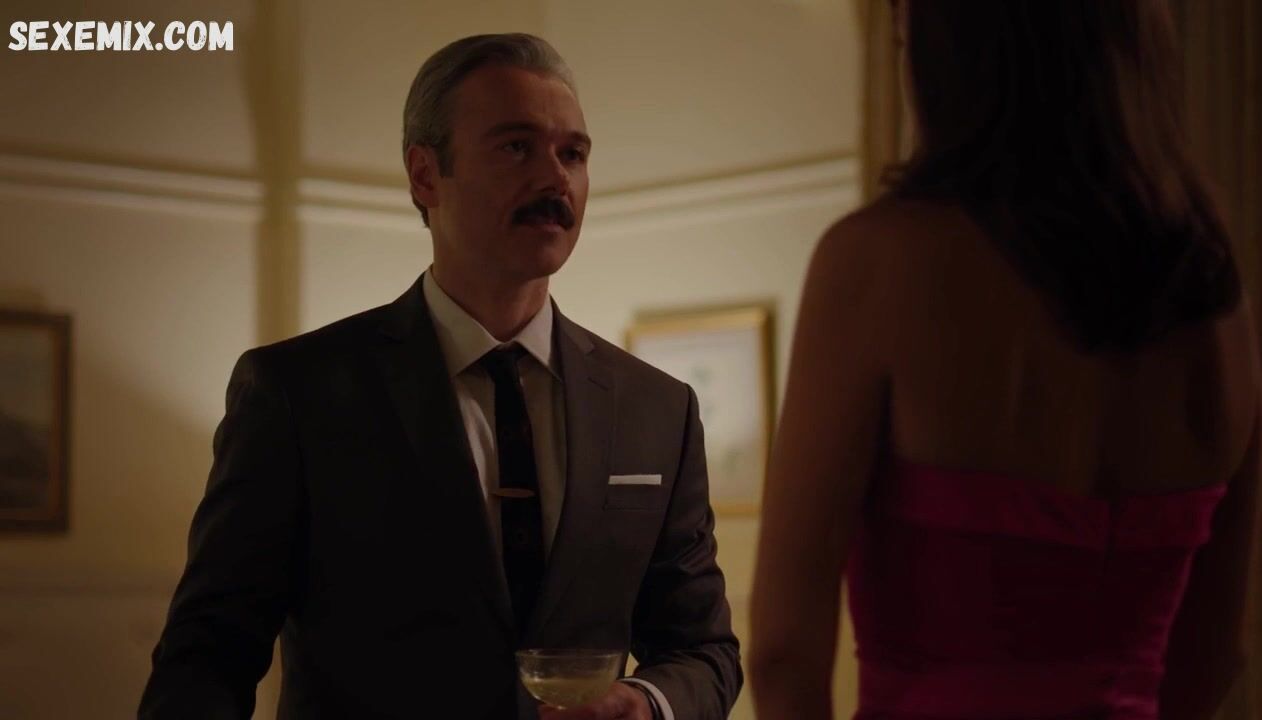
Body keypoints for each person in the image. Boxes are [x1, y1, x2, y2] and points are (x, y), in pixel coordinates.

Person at [139, 33, 741, 720]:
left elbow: (704, 650)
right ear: (425, 175)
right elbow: (209, 655)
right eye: (516, 147)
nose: (555, 179)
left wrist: (648, 703)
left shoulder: (656, 408)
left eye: (572, 154)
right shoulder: (299, 392)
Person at [748, 1, 1260, 719]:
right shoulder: (1215, 300)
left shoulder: (879, 262)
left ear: (955, 56)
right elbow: (1214, 653)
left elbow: (783, 651)